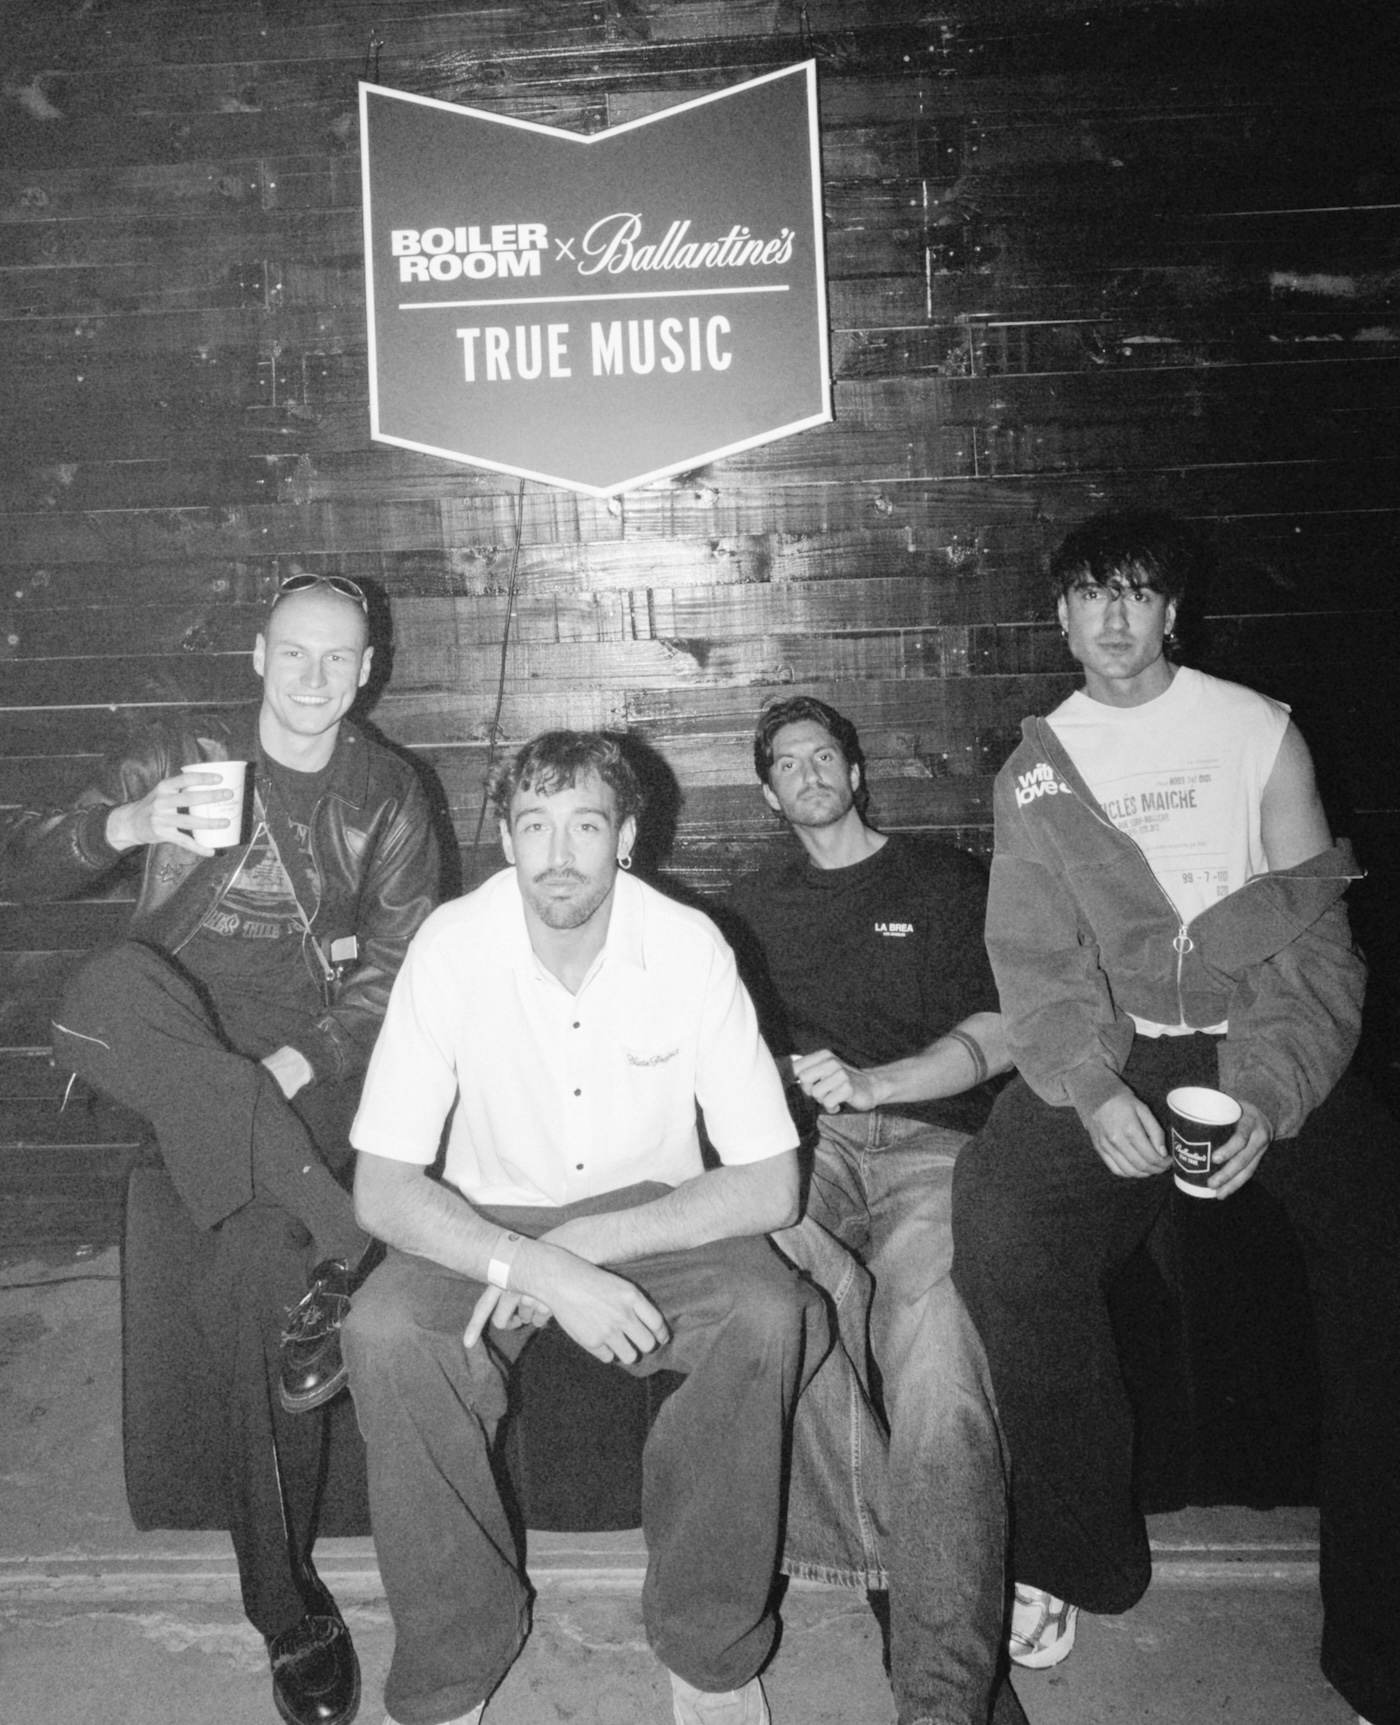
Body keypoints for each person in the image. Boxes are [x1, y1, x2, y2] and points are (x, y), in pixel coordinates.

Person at [951, 510, 1400, 1725]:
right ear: (1060, 616)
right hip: (1120, 1045)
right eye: (1090, 595)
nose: (1113, 618)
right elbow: (1034, 959)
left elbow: (1314, 944)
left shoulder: (1257, 732)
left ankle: (1375, 1639)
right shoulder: (1036, 766)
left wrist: (1267, 1093)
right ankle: (1078, 1551)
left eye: (1137, 593)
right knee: (998, 1222)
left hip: (1258, 1034)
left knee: (1384, 1246)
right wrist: (1089, 1086)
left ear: (1170, 611)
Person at [1, 573, 440, 1725]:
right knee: (97, 991)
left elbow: (400, 974)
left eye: (336, 658)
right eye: (293, 652)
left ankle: (285, 1609)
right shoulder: (181, 754)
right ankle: (348, 1233)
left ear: (366, 671)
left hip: (308, 1075)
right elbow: (23, 859)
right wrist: (128, 826)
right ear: (257, 655)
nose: (312, 677)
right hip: (164, 1049)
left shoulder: (388, 793)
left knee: (255, 1271)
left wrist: (289, 1071)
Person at [341, 730, 826, 1725]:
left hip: (649, 1215)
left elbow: (772, 1185)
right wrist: (531, 1264)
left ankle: (708, 1647)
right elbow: (382, 1191)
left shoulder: (689, 947)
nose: (557, 855)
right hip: (487, 1210)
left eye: (585, 826)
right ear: (505, 840)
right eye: (534, 826)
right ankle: (455, 1656)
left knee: (767, 1314)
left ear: (627, 836)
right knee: (383, 1331)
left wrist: (575, 1255)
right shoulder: (450, 947)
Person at [722, 695, 1026, 1725]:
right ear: (769, 794)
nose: (808, 770)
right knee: (773, 1291)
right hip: (806, 1151)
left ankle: (939, 1697)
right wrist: (779, 1074)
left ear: (855, 774)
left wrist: (875, 1082)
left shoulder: (940, 878)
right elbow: (712, 1047)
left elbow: (1003, 1029)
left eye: (824, 754)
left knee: (937, 1349)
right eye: (786, 762)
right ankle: (927, 1589)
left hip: (934, 1141)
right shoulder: (747, 910)